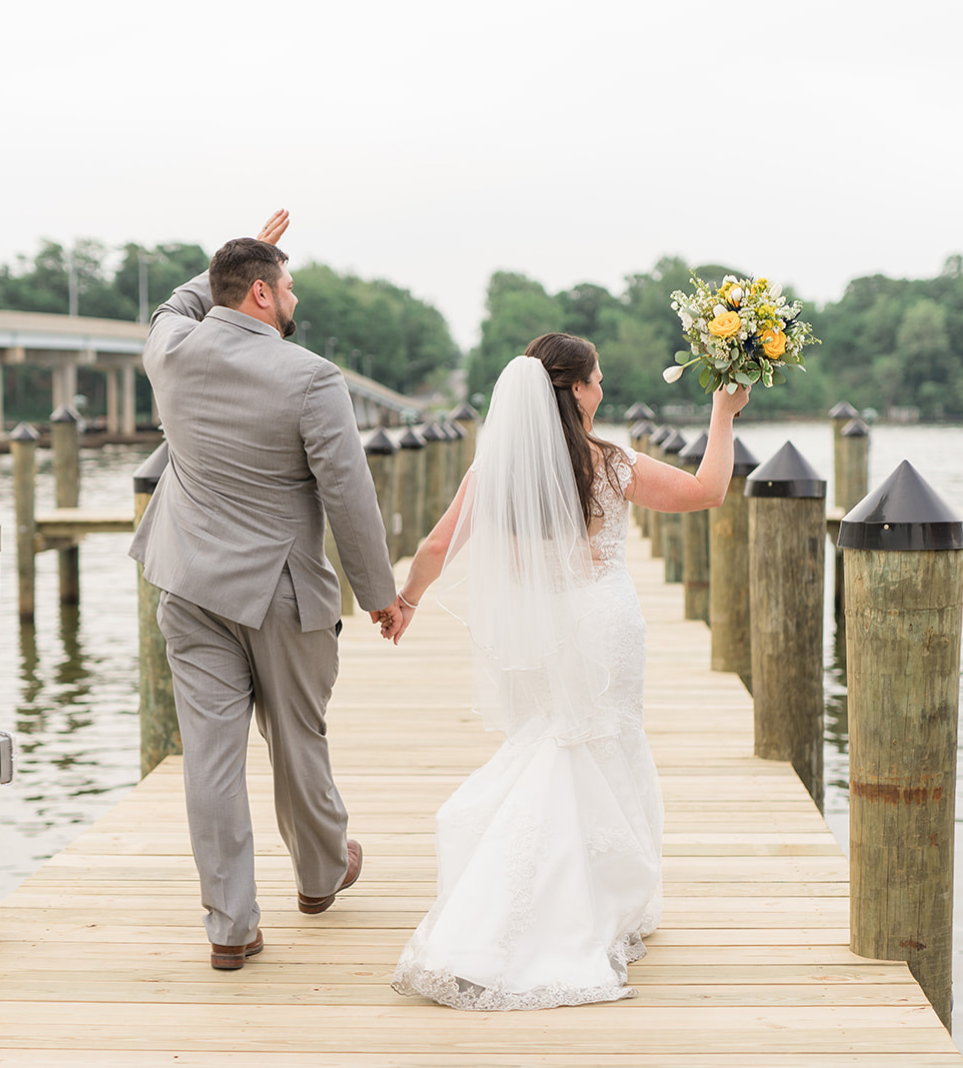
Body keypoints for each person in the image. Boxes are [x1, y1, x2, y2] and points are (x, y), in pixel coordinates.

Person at [381, 333, 749, 1009]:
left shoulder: (496, 472)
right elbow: (706, 491)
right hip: (606, 624)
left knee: (559, 738)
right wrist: (724, 412)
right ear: (575, 391)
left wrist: (405, 603)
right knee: (603, 742)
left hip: (546, 630)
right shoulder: (610, 464)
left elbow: (437, 545)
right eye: (598, 379)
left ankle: (548, 894)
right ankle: (593, 899)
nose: (602, 389)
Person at [128, 211, 397, 971]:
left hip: (187, 584)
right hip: (278, 591)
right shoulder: (311, 376)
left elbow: (174, 307)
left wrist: (237, 245)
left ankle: (230, 926)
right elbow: (350, 495)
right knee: (297, 736)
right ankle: (320, 875)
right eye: (287, 284)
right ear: (258, 296)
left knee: (209, 759)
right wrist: (380, 594)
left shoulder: (171, 352)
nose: (295, 296)